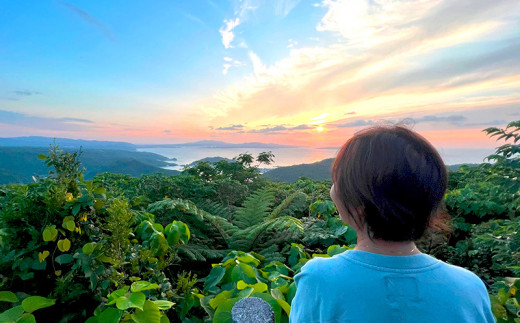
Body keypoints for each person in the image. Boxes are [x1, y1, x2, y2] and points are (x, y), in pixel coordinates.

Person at [289, 125, 494, 323]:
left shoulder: (320, 280)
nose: (332, 189)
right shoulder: (469, 288)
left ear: (359, 203)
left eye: (337, 180)